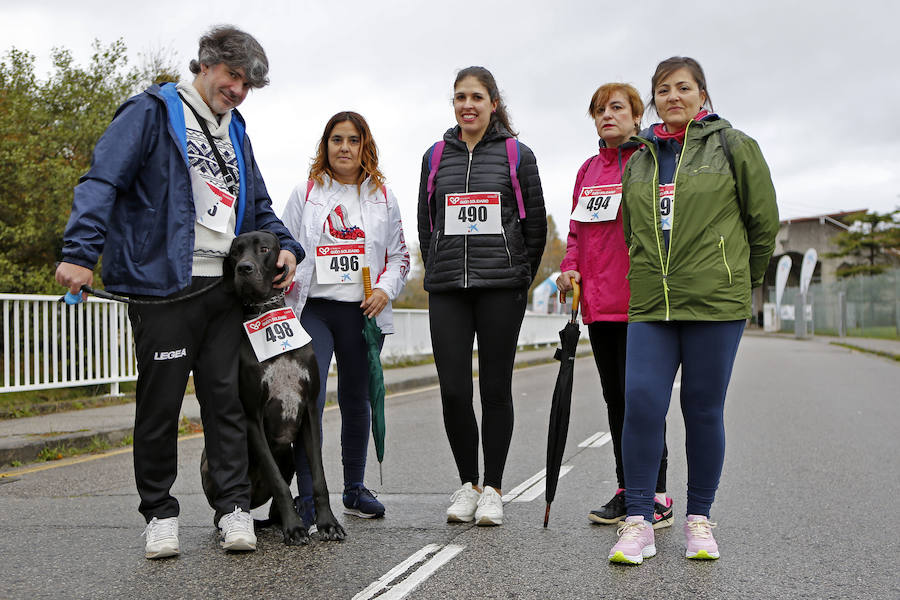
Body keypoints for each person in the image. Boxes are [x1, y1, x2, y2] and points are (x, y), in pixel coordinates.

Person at [55, 26, 303, 559]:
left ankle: (233, 508)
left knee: (226, 402)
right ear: (206, 64)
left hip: (222, 291)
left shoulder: (236, 131)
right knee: (160, 405)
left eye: (247, 85)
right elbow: (102, 181)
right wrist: (79, 252)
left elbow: (256, 205)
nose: (237, 90)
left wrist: (286, 246)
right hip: (163, 286)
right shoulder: (150, 112)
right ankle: (159, 513)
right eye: (232, 76)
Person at [607, 57, 779, 565]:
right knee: (640, 403)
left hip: (714, 304)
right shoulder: (638, 157)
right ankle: (638, 521)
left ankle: (699, 519)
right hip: (651, 305)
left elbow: (762, 222)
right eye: (663, 89)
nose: (673, 96)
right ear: (654, 99)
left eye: (684, 87)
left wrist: (739, 285)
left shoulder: (734, 146)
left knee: (702, 409)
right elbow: (632, 231)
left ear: (703, 95)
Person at [417, 66, 547, 526]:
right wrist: (437, 270)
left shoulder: (517, 154)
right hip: (449, 288)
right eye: (459, 97)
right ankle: (467, 483)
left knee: (495, 389)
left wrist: (519, 277)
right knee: (453, 391)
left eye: (476, 96)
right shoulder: (435, 156)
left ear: (494, 102)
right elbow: (425, 224)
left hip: (500, 289)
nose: (467, 104)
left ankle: (493, 487)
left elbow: (535, 227)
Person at [282, 111, 409, 524]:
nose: (344, 148)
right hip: (313, 309)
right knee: (309, 400)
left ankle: (354, 488)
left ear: (364, 146)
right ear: (326, 145)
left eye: (353, 140)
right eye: (337, 140)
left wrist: (386, 290)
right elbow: (285, 245)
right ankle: (307, 496)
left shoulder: (382, 196)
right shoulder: (306, 192)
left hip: (362, 312)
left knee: (357, 400)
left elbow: (400, 257)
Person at [556, 83, 672, 530]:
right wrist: (569, 268)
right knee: (616, 401)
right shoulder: (588, 169)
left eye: (617, 108)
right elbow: (576, 233)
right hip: (600, 305)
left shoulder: (651, 160)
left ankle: (656, 494)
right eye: (600, 110)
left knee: (644, 402)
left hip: (642, 303)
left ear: (638, 115)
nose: (608, 115)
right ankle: (628, 489)